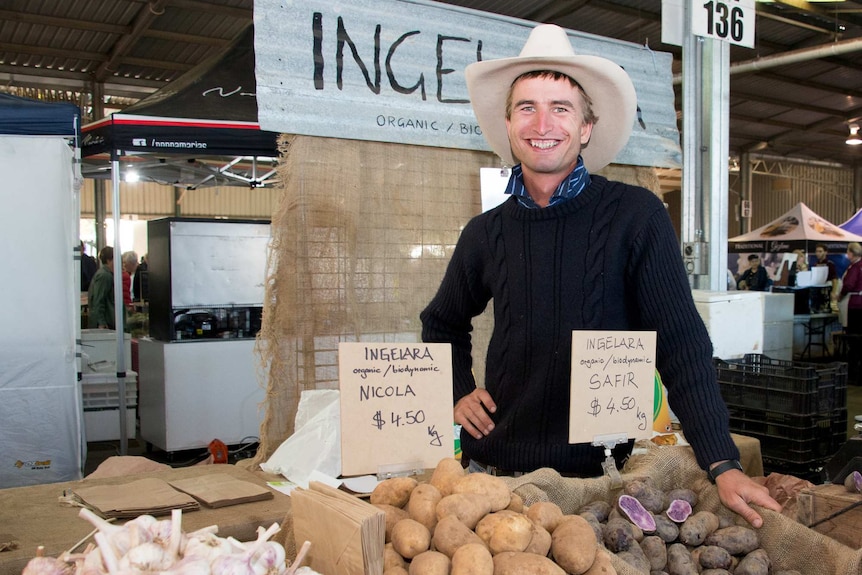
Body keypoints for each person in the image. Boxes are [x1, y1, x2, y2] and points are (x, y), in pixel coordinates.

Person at [420, 24, 779, 528]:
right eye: (527, 107)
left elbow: (680, 343)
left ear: (586, 127)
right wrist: (457, 387)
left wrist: (721, 459)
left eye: (560, 108)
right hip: (496, 476)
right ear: (508, 126)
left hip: (602, 483)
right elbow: (441, 322)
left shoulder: (637, 216)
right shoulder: (485, 233)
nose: (542, 122)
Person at [88, 246, 120, 329]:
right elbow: (98, 300)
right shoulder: (104, 276)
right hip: (106, 322)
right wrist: (101, 322)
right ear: (109, 260)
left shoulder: (105, 274)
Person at [835, 242, 862, 333]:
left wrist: (840, 296)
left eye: (847, 251)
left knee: (853, 331)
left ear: (851, 253)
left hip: (854, 303)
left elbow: (848, 285)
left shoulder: (855, 267)